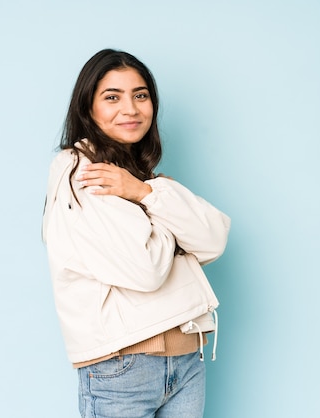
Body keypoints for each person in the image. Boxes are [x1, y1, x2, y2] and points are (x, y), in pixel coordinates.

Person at [42, 48, 230, 418]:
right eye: (112, 97)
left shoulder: (136, 180)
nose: (130, 109)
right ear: (87, 108)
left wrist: (146, 192)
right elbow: (145, 270)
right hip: (123, 365)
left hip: (185, 358)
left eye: (140, 95)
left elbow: (213, 240)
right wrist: (165, 209)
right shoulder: (84, 171)